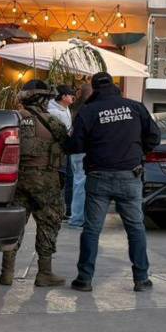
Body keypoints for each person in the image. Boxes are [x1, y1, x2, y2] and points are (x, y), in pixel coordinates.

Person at [65, 72, 160, 292]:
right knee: (135, 228)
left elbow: (75, 146)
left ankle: (84, 279)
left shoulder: (88, 111)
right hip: (130, 176)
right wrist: (137, 153)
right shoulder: (135, 107)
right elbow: (154, 136)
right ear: (115, 86)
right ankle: (141, 279)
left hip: (99, 178)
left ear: (95, 89)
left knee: (91, 230)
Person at [0, 80, 70, 288]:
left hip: (17, 179)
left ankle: (6, 273)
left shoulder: (13, 119)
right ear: (43, 99)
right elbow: (68, 146)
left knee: (15, 224)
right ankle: (44, 273)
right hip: (46, 180)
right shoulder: (54, 122)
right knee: (48, 223)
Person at [68, 81, 93, 229]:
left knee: (78, 183)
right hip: (83, 151)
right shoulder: (88, 109)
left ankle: (77, 216)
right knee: (81, 185)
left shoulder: (75, 108)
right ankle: (78, 218)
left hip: (76, 151)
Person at [49, 85, 75, 199]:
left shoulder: (65, 108)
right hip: (58, 150)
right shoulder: (53, 112)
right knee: (61, 177)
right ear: (64, 96)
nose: (73, 97)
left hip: (66, 148)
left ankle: (67, 208)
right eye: (70, 94)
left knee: (68, 176)